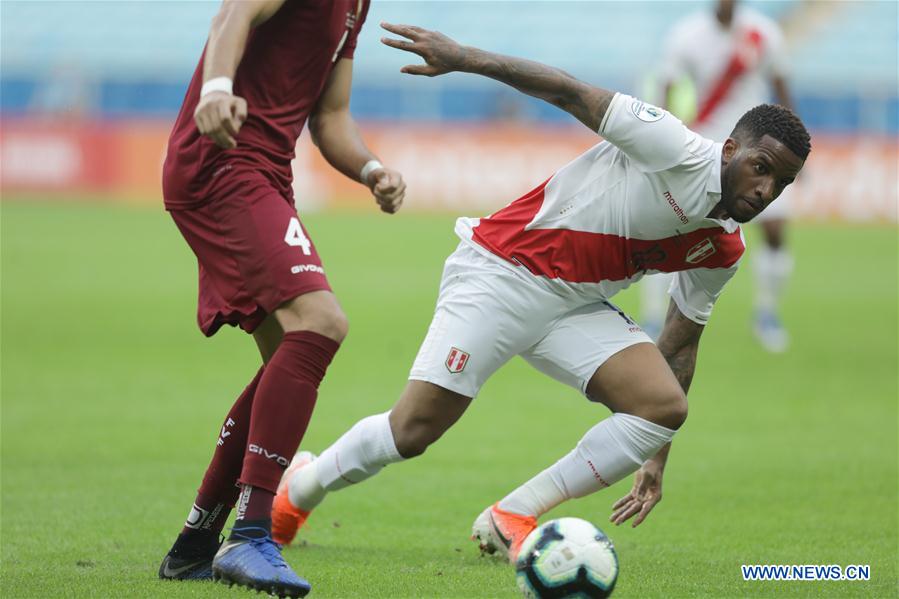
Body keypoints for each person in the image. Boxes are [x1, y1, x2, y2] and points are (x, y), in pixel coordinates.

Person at [271, 22, 809, 563]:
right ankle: (299, 490)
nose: (766, 190)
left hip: (573, 308)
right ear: (732, 148)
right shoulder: (674, 146)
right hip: (500, 272)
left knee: (664, 406)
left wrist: (654, 457)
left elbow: (680, 346)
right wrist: (462, 57)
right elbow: (569, 90)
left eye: (781, 184)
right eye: (761, 169)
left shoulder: (723, 250)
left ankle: (512, 514)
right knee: (412, 431)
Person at [157, 1, 405, 596]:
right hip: (222, 163)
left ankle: (197, 542)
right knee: (320, 323)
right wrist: (217, 88)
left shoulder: (358, 4)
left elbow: (331, 117)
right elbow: (232, 16)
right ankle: (250, 535)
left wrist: (371, 169)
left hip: (266, 172)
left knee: (283, 367)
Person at [641, 0, 797, 351]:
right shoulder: (686, 34)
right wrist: (661, 144)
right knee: (670, 225)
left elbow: (782, 86)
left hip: (761, 152)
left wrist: (797, 151)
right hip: (710, 147)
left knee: (774, 230)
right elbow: (666, 89)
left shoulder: (763, 33)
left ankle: (767, 314)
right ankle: (652, 318)